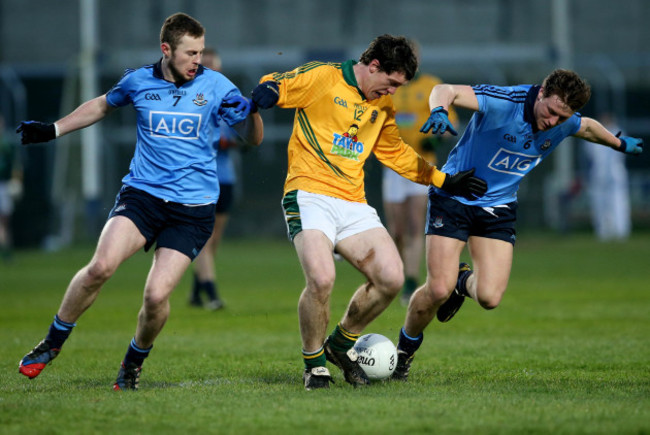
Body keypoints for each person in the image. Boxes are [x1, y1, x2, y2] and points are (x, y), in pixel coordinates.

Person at [16, 12, 263, 391]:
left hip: (192, 210)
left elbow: (251, 136)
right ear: (166, 49)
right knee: (100, 267)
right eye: (190, 53)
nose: (198, 60)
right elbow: (101, 105)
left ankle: (132, 363)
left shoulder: (216, 86)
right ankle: (52, 341)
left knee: (155, 295)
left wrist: (255, 110)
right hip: (142, 196)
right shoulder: (138, 81)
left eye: (200, 52)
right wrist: (53, 130)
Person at [250, 34, 487, 390]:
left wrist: (442, 179)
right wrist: (267, 92)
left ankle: (341, 345)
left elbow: (395, 152)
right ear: (373, 66)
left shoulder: (383, 105)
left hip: (352, 201)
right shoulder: (324, 77)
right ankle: (314, 365)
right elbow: (277, 81)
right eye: (391, 83)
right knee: (322, 277)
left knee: (391, 278)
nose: (392, 92)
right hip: (309, 193)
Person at [391, 69, 644, 381]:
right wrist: (440, 110)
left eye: (561, 117)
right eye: (551, 111)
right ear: (540, 94)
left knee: (489, 298)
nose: (553, 122)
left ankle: (462, 281)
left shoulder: (564, 121)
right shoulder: (504, 101)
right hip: (454, 195)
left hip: (498, 207)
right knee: (437, 288)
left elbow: (588, 127)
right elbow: (446, 89)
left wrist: (618, 144)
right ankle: (404, 352)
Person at [383, 42, 458, 305]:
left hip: (421, 165)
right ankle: (396, 276)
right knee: (397, 230)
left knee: (416, 224)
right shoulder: (388, 88)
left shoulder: (431, 87)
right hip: (392, 167)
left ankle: (411, 281)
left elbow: (450, 126)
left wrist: (435, 140)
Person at [189, 47, 241, 310]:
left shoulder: (226, 96)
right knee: (205, 238)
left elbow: (239, 135)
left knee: (214, 239)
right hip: (200, 177)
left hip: (225, 177)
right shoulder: (189, 97)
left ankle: (196, 291)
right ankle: (211, 294)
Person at [581, 112, 631, 241]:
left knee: (618, 202)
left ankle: (621, 230)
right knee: (599, 203)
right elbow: (590, 157)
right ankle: (603, 231)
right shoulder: (593, 135)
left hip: (615, 173)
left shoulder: (619, 132)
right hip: (598, 174)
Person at [0, 115, 22, 261]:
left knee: (4, 221)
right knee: (3, 222)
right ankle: (6, 252)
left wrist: (16, 181)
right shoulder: (6, 144)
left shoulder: (6, 145)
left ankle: (6, 251)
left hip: (4, 185)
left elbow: (16, 166)